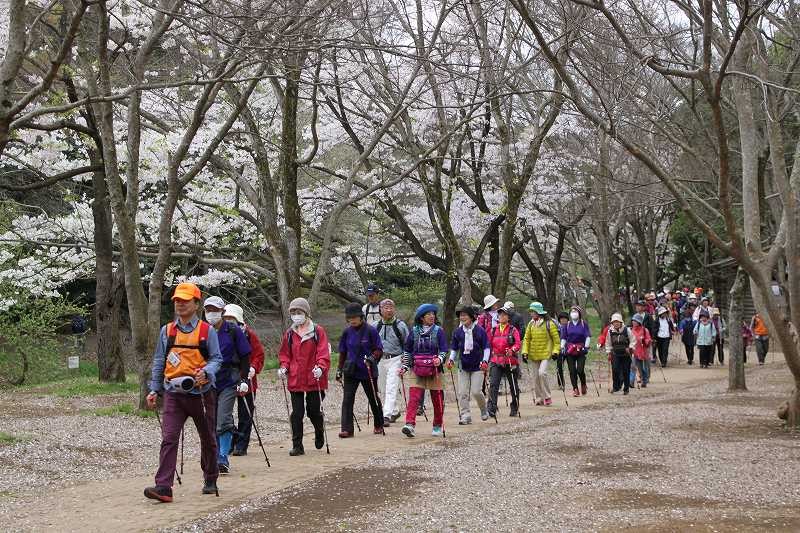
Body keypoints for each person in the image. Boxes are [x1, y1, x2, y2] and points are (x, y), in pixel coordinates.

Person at [144, 282, 223, 502]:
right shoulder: (166, 330)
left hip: (202, 394)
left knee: (207, 438)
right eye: (177, 300)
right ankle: (163, 487)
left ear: (196, 304)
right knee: (169, 439)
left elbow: (217, 359)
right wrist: (154, 389)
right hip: (173, 394)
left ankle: (210, 477)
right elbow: (159, 360)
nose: (180, 304)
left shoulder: (207, 331)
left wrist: (206, 372)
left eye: (185, 300)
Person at [203, 296, 251, 474]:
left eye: (215, 310)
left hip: (229, 380)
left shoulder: (233, 330)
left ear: (222, 312)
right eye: (208, 310)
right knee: (211, 420)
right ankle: (212, 455)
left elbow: (245, 355)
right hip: (207, 382)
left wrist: (244, 379)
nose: (211, 314)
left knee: (223, 418)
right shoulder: (203, 331)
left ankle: (222, 457)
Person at [277, 298, 331, 456]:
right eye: (293, 312)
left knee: (313, 411)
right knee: (297, 413)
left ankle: (319, 430)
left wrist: (321, 367)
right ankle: (297, 445)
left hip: (314, 376)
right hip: (295, 377)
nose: (296, 315)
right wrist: (284, 367)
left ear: (306, 313)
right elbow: (285, 355)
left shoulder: (318, 331)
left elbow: (323, 352)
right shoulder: (289, 333)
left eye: (298, 312)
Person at [399, 304, 449, 437]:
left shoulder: (439, 331)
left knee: (437, 398)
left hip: (435, 369)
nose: (432, 316)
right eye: (428, 314)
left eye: (433, 314)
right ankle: (409, 424)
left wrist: (440, 358)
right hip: (416, 368)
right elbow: (408, 350)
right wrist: (405, 366)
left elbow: (444, 349)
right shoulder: (414, 331)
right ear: (421, 318)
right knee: (414, 397)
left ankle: (437, 425)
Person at [223, 304, 265, 457]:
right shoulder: (219, 333)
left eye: (231, 318)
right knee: (225, 414)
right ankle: (229, 441)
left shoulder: (249, 334)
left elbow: (258, 354)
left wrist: (253, 368)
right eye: (226, 317)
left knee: (245, 413)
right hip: (226, 379)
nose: (228, 321)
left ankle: (241, 444)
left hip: (246, 378)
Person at [337, 302, 384, 437]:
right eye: (349, 318)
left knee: (373, 397)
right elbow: (342, 352)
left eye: (354, 317)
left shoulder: (371, 330)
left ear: (361, 317)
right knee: (347, 399)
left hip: (367, 369)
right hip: (351, 370)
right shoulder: (346, 332)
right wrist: (339, 370)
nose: (351, 320)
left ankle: (378, 423)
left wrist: (371, 358)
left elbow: (379, 350)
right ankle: (347, 429)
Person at [447, 305, 490, 423]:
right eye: (461, 315)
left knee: (476, 391)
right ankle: (465, 415)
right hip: (463, 365)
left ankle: (483, 409)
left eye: (465, 315)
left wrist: (485, 361)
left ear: (471, 317)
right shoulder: (458, 332)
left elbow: (486, 347)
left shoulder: (480, 330)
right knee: (462, 392)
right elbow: (454, 348)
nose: (462, 317)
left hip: (478, 365)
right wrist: (451, 359)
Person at [375, 299, 409, 425]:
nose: (389, 310)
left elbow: (408, 344)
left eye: (391, 307)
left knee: (391, 386)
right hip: (380, 360)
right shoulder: (375, 326)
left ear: (394, 309)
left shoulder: (401, 325)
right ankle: (394, 411)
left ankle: (386, 415)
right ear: (380, 310)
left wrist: (405, 362)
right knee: (383, 387)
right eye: (386, 307)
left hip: (396, 359)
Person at [521, 302, 560, 406]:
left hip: (546, 354)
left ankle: (547, 396)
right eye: (530, 311)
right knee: (536, 377)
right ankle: (539, 398)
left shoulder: (549, 323)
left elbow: (556, 340)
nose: (531, 313)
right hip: (534, 354)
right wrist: (524, 352)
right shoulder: (530, 324)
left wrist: (555, 352)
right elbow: (526, 339)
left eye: (532, 311)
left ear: (538, 312)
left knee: (542, 373)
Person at [486, 306, 522, 417]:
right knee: (493, 384)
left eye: (504, 314)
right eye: (500, 314)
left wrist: (512, 350)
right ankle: (492, 408)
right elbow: (488, 344)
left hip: (510, 360)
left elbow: (518, 344)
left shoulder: (513, 329)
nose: (501, 316)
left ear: (508, 317)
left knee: (513, 385)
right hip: (496, 360)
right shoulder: (493, 329)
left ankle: (514, 407)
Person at [561, 306, 591, 397]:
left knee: (580, 370)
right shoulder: (567, 325)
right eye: (572, 311)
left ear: (579, 313)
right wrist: (562, 346)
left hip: (581, 349)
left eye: (575, 311)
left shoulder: (583, 324)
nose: (574, 313)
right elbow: (564, 337)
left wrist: (586, 346)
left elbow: (587, 336)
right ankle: (575, 388)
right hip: (570, 350)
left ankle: (583, 384)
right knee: (572, 370)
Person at [605, 313, 635, 394]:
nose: (616, 323)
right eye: (614, 322)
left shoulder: (627, 330)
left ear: (621, 322)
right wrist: (608, 352)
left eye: (617, 321)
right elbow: (608, 343)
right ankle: (616, 387)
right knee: (615, 369)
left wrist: (630, 347)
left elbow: (633, 340)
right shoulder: (610, 331)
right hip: (615, 353)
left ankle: (626, 388)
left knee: (626, 370)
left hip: (626, 354)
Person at [629, 313, 652, 388]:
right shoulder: (630, 330)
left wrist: (645, 341)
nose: (633, 322)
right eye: (633, 320)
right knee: (632, 366)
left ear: (639, 322)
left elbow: (648, 340)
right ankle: (631, 382)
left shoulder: (645, 330)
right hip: (633, 352)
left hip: (643, 352)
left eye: (635, 321)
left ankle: (644, 380)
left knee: (641, 368)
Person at [555, 311, 569, 390]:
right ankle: (561, 384)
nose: (563, 320)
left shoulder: (570, 327)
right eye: (561, 319)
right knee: (559, 367)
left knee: (572, 367)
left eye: (565, 319)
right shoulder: (557, 329)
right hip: (560, 350)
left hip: (570, 350)